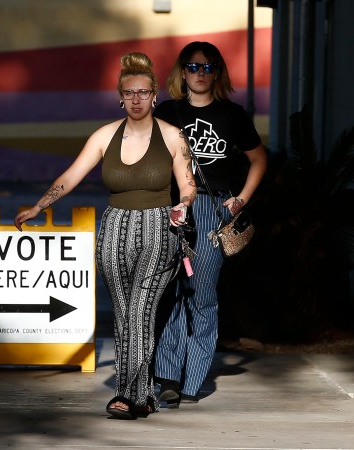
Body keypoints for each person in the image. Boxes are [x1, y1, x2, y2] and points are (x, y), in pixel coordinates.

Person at [14, 52, 197, 419]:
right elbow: (71, 175)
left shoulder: (173, 136)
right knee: (125, 313)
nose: (136, 99)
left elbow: (188, 184)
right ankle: (144, 396)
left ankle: (128, 396)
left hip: (159, 227)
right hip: (114, 227)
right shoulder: (104, 135)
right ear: (119, 97)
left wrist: (184, 204)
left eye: (143, 92)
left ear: (154, 96)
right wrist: (38, 206)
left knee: (140, 309)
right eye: (129, 93)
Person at [152, 41, 267, 406]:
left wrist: (241, 199)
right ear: (181, 71)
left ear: (217, 73)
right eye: (192, 66)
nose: (199, 73)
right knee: (171, 293)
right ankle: (168, 376)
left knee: (201, 295)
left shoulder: (232, 115)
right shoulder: (166, 111)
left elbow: (259, 159)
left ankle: (193, 379)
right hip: (171, 210)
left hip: (211, 211)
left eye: (207, 67)